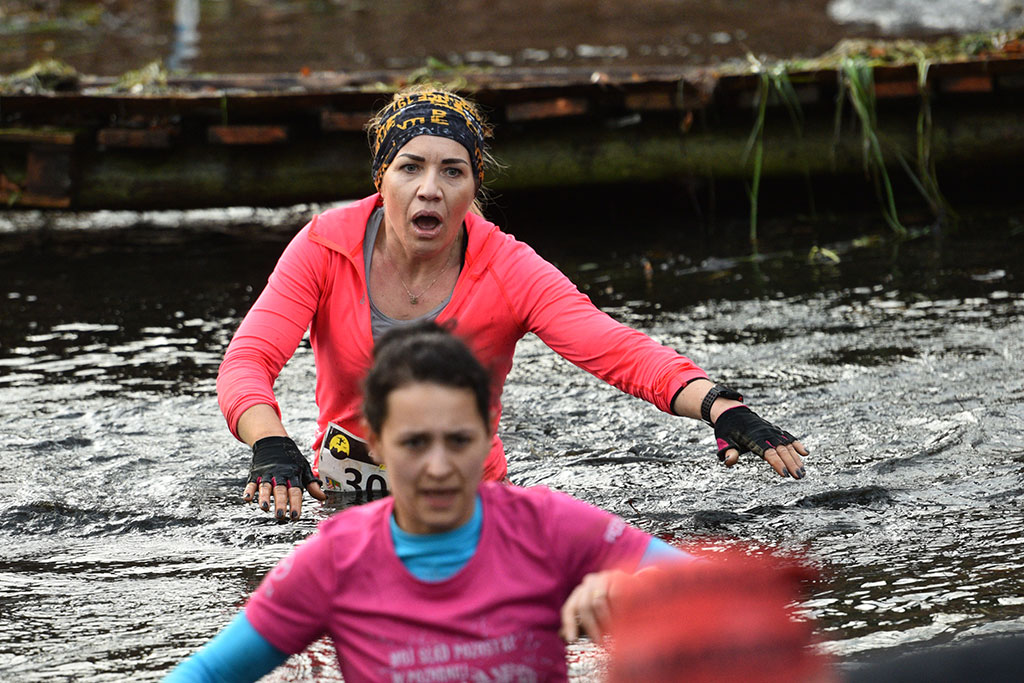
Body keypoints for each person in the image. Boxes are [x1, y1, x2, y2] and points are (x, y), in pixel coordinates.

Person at [216, 85, 810, 520]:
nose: (430, 188)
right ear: (382, 180)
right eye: (410, 168)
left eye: (452, 171)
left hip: (472, 499)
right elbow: (248, 360)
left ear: (473, 188)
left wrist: (721, 407)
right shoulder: (325, 245)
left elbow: (617, 350)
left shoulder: (509, 268)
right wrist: (271, 444)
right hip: (342, 498)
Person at [166, 322, 694, 682]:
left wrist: (635, 593)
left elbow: (717, 592)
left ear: (489, 434)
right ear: (376, 442)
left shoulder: (551, 526)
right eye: (415, 443)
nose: (439, 467)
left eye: (459, 441)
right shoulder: (335, 558)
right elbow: (209, 674)